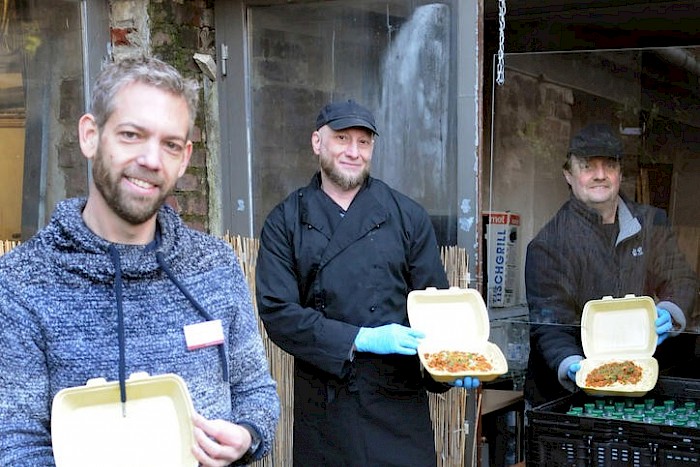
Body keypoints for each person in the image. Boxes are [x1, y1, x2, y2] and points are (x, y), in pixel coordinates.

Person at [0, 56, 280, 466]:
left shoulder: (215, 265)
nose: (151, 160)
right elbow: (14, 441)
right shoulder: (22, 283)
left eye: (169, 144)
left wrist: (248, 435)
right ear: (90, 136)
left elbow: (255, 389)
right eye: (132, 135)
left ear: (185, 158)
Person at [255, 99, 479, 467]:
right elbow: (279, 314)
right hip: (325, 406)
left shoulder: (407, 215)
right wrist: (359, 338)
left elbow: (434, 308)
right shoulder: (285, 221)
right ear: (317, 142)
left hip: (397, 404)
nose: (353, 152)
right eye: (342, 139)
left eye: (364, 142)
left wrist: (451, 367)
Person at [524, 122, 699, 408]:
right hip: (567, 397)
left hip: (640, 385)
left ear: (620, 173)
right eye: (587, 167)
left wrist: (669, 310)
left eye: (609, 165)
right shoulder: (549, 245)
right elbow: (550, 325)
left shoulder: (651, 224)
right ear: (568, 175)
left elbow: (680, 278)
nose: (600, 175)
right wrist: (575, 367)